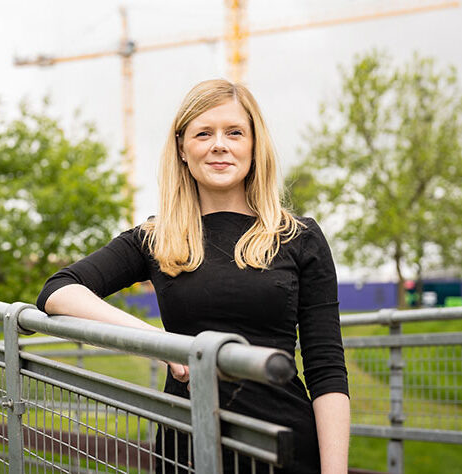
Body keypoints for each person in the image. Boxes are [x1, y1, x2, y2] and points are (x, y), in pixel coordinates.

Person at [36, 79, 349, 473]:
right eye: (204, 133)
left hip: (280, 444)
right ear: (183, 148)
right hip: (186, 445)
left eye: (235, 132)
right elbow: (58, 291)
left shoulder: (298, 237)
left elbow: (326, 367)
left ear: (254, 144)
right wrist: (159, 344)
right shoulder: (154, 238)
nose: (220, 144)